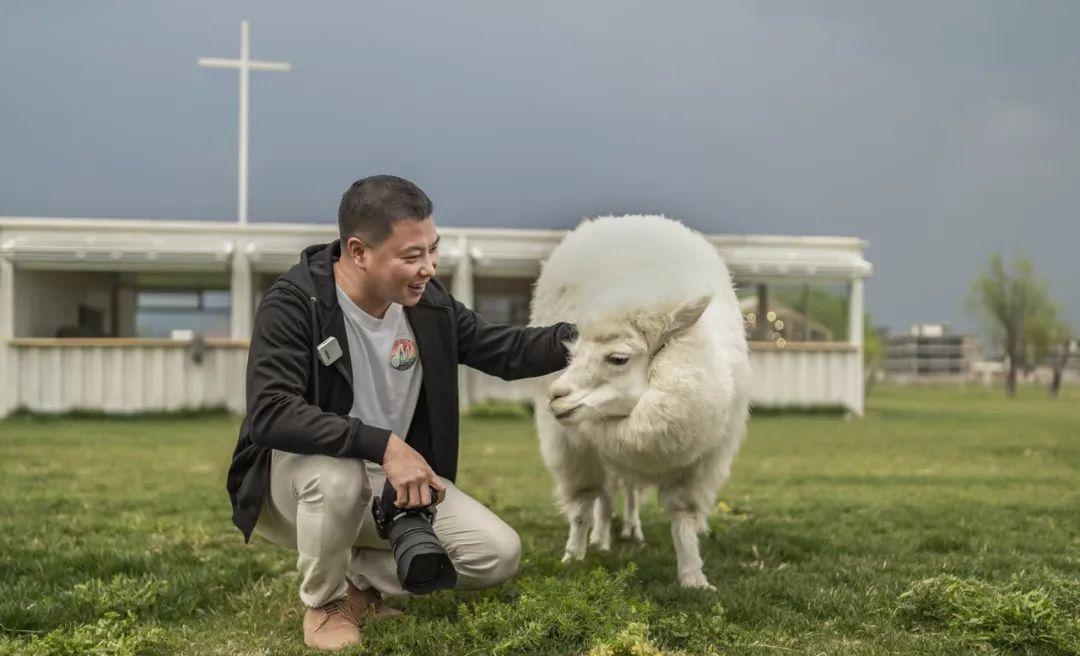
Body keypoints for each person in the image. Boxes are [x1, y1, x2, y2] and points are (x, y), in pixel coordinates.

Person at [226, 175, 576, 651]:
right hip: (298, 484)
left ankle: (361, 584)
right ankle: (325, 604)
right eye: (411, 256)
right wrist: (384, 445)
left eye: (433, 249)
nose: (428, 267)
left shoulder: (429, 307)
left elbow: (507, 350)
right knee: (339, 477)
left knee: (497, 555)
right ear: (358, 251)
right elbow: (272, 412)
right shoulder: (295, 303)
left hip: (396, 485)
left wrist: (590, 335)